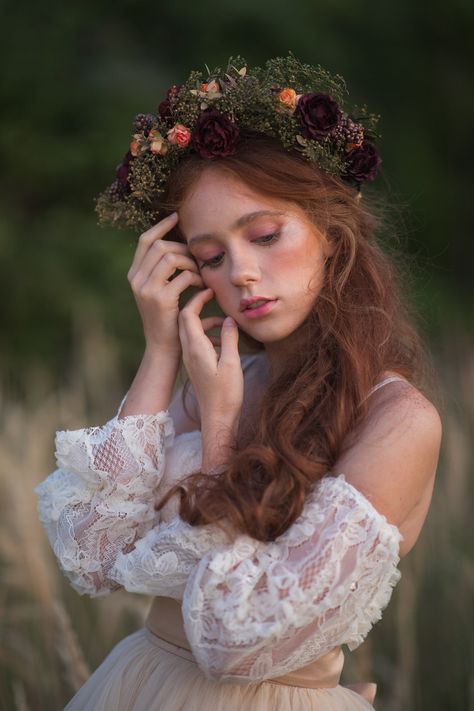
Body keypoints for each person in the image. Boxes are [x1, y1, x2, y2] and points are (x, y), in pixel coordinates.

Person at [35, 54, 442, 710]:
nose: (243, 272)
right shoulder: (220, 379)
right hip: (137, 685)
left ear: (331, 233)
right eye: (212, 257)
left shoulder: (397, 420)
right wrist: (161, 347)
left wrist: (221, 433)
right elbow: (93, 553)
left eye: (266, 234)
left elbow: (233, 638)